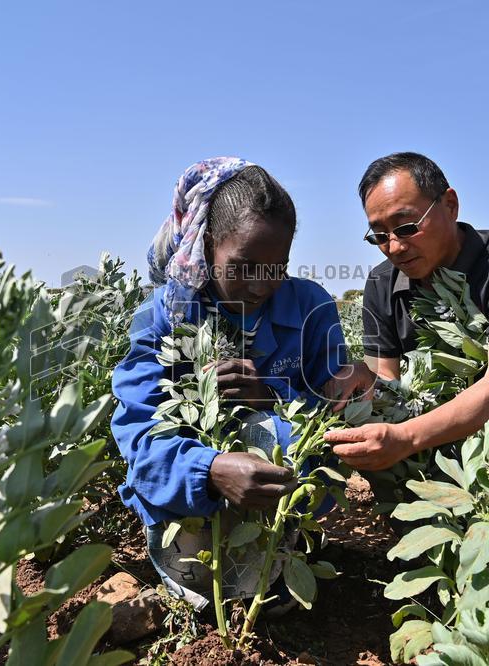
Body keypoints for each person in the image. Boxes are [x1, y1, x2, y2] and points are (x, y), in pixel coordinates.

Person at [110, 157, 347, 610]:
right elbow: (138, 436)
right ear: (210, 244)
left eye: (277, 267)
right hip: (190, 509)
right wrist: (211, 470)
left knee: (264, 428)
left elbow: (335, 422)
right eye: (243, 266)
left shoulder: (312, 307)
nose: (262, 285)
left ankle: (283, 563)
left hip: (285, 508)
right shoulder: (163, 315)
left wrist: (273, 397)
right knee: (204, 590)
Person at [325, 152, 489, 472]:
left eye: (406, 227)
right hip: (431, 448)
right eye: (379, 236)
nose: (394, 247)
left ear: (449, 205)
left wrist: (405, 438)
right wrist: (366, 378)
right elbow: (390, 384)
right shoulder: (381, 283)